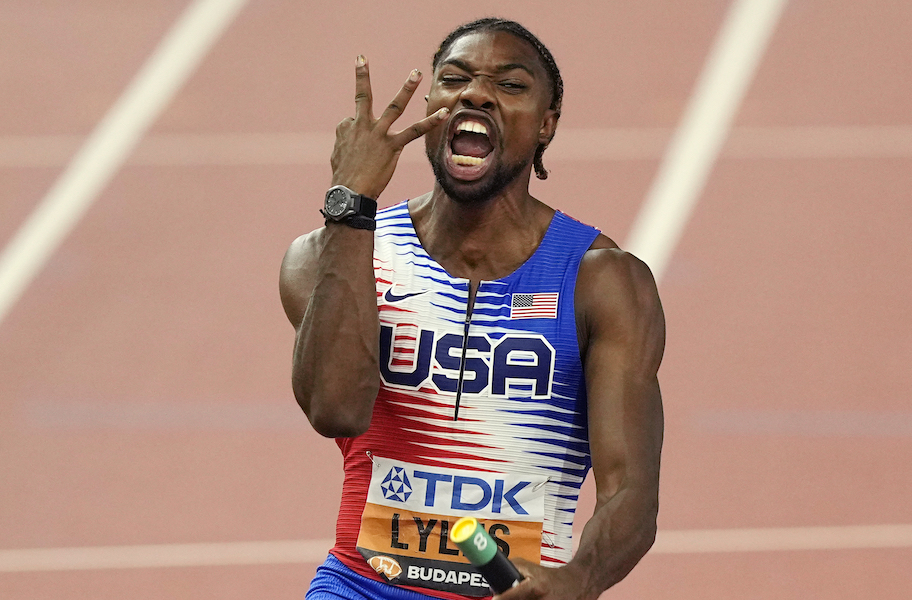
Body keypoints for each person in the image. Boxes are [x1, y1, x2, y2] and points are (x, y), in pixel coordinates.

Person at [280, 18, 665, 600]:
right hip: (362, 586)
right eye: (454, 78)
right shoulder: (333, 256)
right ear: (432, 105)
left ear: (546, 124)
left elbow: (631, 492)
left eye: (510, 86)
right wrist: (351, 206)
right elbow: (335, 410)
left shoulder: (602, 283)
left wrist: (577, 579)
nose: (476, 93)